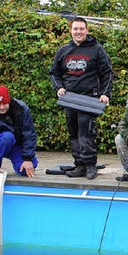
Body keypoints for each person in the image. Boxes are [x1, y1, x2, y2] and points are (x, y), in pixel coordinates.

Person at [49, 16, 113, 180]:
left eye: (81, 29)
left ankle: (90, 165)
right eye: (75, 29)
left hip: (89, 99)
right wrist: (59, 87)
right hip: (69, 99)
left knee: (86, 132)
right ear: (71, 31)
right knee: (74, 132)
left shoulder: (97, 49)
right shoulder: (63, 51)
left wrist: (105, 93)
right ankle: (80, 165)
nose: (78, 32)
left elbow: (107, 73)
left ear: (87, 30)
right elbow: (54, 73)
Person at [0, 86, 38, 178]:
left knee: (26, 170)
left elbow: (29, 134)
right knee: (7, 137)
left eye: (4, 103)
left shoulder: (21, 109)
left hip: (17, 145)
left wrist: (27, 158)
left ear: (9, 100)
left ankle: (19, 159)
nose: (2, 107)